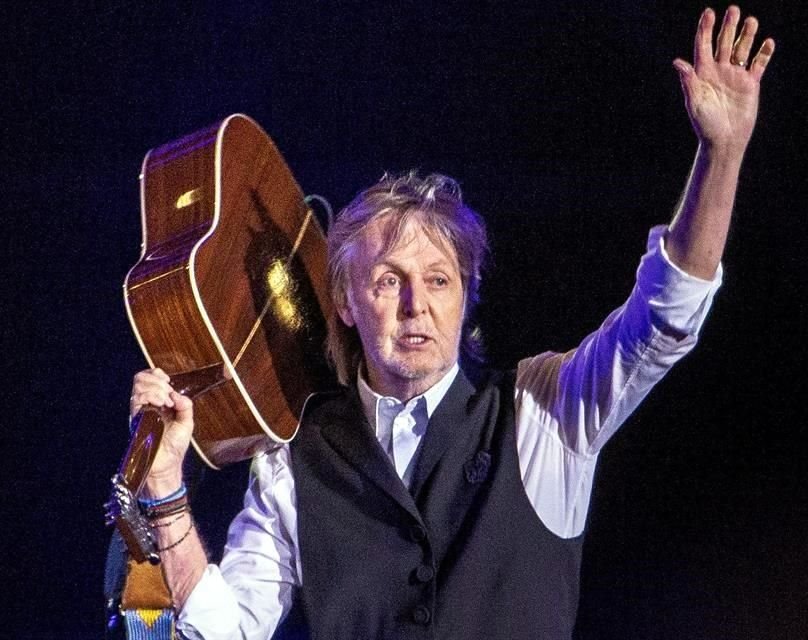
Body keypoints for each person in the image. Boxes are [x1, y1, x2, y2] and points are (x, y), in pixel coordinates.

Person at [127, 6, 774, 639]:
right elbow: (222, 633)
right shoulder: (293, 459)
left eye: (439, 280)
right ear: (346, 303)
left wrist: (722, 155)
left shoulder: (545, 410)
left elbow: (665, 315)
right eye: (388, 281)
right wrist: (166, 494)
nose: (417, 304)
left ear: (467, 298)